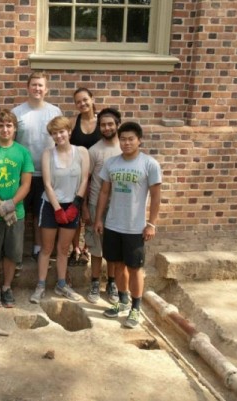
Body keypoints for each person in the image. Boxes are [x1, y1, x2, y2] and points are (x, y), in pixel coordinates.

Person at [95, 121, 162, 328]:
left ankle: (135, 307)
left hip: (135, 226)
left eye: (131, 139)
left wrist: (151, 223)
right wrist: (99, 219)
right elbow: (104, 192)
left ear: (139, 140)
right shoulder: (112, 163)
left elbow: (156, 196)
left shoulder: (149, 164)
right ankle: (122, 301)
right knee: (117, 265)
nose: (126, 143)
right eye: (123, 139)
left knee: (135, 268)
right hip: (113, 223)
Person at [29, 116, 89, 304]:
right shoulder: (48, 154)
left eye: (61, 131)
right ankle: (40, 285)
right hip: (50, 205)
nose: (59, 136)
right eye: (54, 133)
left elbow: (85, 179)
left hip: (72, 205)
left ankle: (62, 284)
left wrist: (75, 206)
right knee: (47, 248)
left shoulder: (82, 152)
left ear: (69, 131)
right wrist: (57, 209)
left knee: (63, 248)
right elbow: (47, 183)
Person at [0, 110, 34, 308]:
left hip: (16, 213)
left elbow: (26, 183)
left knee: (12, 253)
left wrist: (10, 205)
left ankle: (6, 287)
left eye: (9, 126)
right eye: (1, 126)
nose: (5, 129)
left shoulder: (22, 152)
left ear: (15, 128)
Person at [12, 72, 62, 265]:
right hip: (22, 174)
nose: (37, 89)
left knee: (41, 214)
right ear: (28, 87)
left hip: (47, 173)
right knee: (19, 213)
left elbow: (60, 141)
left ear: (46, 89)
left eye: (41, 85)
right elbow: (12, 142)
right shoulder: (17, 112)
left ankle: (37, 249)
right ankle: (15, 252)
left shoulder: (54, 111)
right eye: (34, 85)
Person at [82, 108, 122, 304]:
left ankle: (112, 283)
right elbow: (85, 180)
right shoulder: (94, 151)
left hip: (119, 207)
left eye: (110, 124)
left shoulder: (125, 149)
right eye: (103, 125)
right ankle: (95, 282)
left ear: (117, 124)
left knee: (113, 249)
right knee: (96, 248)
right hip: (95, 204)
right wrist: (83, 207)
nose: (106, 128)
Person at [69, 87, 102, 266]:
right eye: (78, 101)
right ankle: (75, 248)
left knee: (91, 211)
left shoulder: (101, 121)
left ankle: (87, 249)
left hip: (96, 174)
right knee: (77, 212)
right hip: (77, 173)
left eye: (85, 100)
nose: (82, 104)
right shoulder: (76, 121)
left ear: (92, 99)